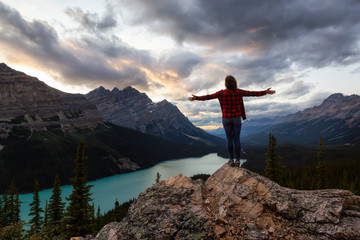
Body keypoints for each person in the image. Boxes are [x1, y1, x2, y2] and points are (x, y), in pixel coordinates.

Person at [188, 75, 275, 167]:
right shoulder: (239, 92)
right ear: (235, 83)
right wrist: (265, 92)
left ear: (226, 84)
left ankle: (230, 159)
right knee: (236, 139)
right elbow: (252, 93)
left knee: (229, 139)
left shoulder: (221, 93)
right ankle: (237, 160)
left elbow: (209, 97)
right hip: (236, 119)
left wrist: (196, 98)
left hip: (226, 119)